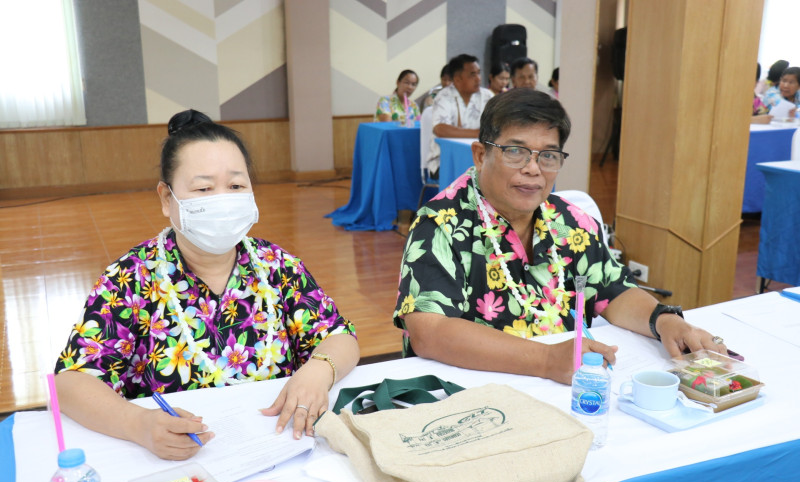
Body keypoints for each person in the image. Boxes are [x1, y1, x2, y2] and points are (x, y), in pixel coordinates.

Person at [54, 110, 360, 460]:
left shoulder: (277, 265)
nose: (222, 200)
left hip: (281, 450)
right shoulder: (131, 279)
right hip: (180, 462)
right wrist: (137, 423)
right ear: (167, 199)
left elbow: (340, 336)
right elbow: (72, 381)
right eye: (203, 188)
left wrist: (320, 369)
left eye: (236, 186)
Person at [394, 89, 727, 385]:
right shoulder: (441, 224)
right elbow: (430, 331)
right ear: (481, 155)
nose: (533, 168)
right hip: (475, 390)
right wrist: (546, 361)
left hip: (565, 386)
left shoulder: (570, 222)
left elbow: (614, 290)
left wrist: (664, 321)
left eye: (548, 156)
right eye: (515, 151)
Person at [427, 54, 495, 179]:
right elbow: (440, 129)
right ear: (457, 79)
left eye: (479, 73)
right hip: (444, 161)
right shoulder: (443, 97)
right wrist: (477, 133)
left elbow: (497, 125)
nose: (478, 78)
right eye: (472, 74)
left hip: (481, 159)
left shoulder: (487, 96)